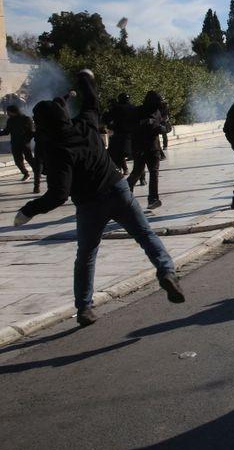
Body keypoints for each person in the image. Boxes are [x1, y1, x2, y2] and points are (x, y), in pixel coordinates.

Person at [11, 69, 185, 326]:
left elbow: (59, 195)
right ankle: (166, 271)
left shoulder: (57, 151)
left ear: (44, 125)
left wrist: (28, 210)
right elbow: (91, 101)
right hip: (118, 190)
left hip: (90, 204)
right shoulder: (85, 124)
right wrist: (84, 78)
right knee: (146, 235)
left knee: (86, 255)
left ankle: (84, 308)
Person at [126, 91, 168, 211]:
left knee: (154, 172)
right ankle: (125, 192)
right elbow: (131, 127)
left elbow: (162, 126)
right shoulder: (137, 111)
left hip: (153, 147)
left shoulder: (158, 112)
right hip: (139, 147)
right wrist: (146, 125)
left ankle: (153, 199)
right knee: (137, 172)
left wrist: (163, 128)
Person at [1, 105, 41, 192]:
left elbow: (31, 132)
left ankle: (37, 174)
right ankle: (26, 174)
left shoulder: (26, 119)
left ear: (13, 111)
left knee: (29, 159)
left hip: (25, 144)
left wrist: (27, 140)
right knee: (18, 161)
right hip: (15, 144)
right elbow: (6, 131)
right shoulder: (10, 120)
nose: (7, 113)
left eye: (8, 112)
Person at [102, 93, 135, 175]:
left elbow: (107, 119)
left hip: (121, 136)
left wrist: (110, 125)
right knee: (136, 157)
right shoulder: (133, 108)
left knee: (116, 154)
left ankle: (119, 172)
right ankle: (141, 177)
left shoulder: (117, 109)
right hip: (133, 135)